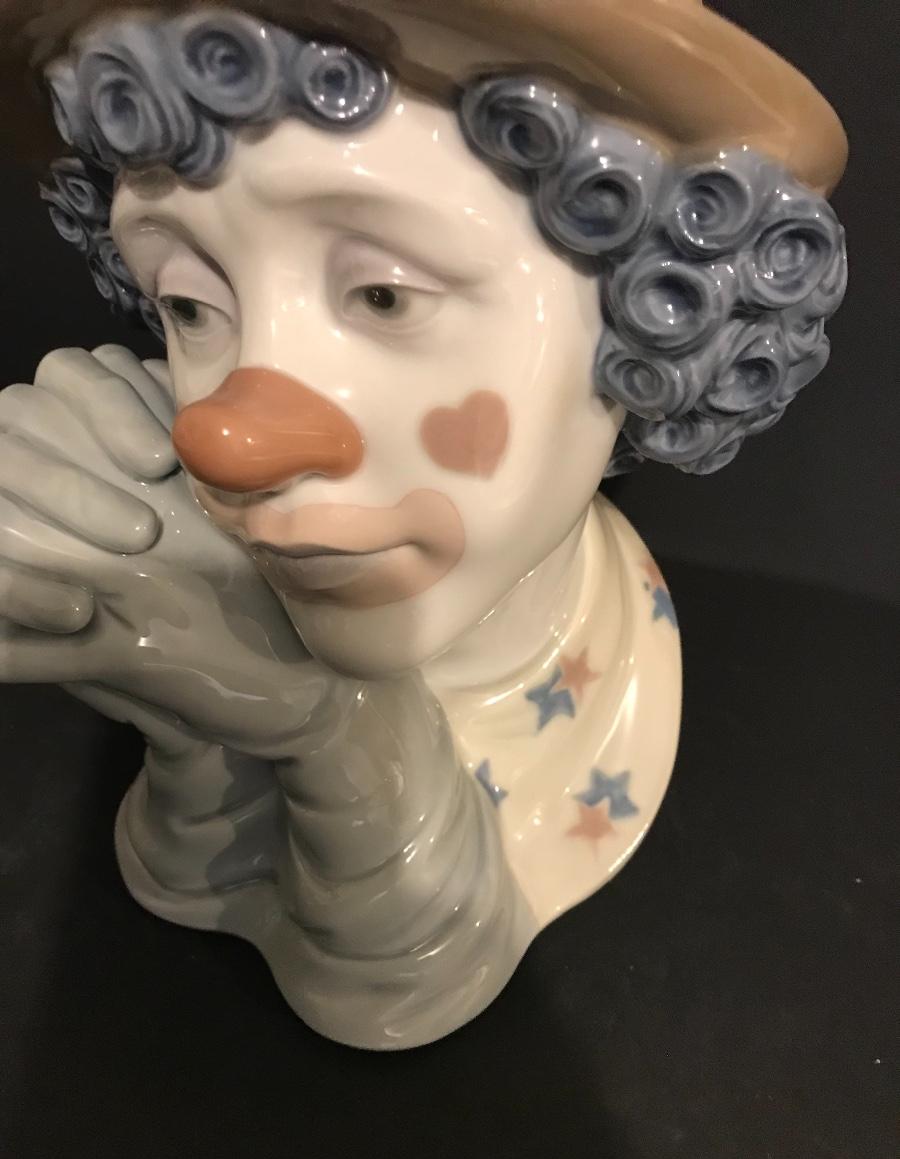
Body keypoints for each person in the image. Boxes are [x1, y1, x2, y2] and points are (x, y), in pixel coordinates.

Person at [0, 0, 847, 1048]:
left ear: (652, 322)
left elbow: (391, 986)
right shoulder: (204, 570)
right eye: (187, 304)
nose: (228, 439)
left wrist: (341, 728)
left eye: (386, 297)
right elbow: (194, 871)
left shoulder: (614, 688)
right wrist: (196, 714)